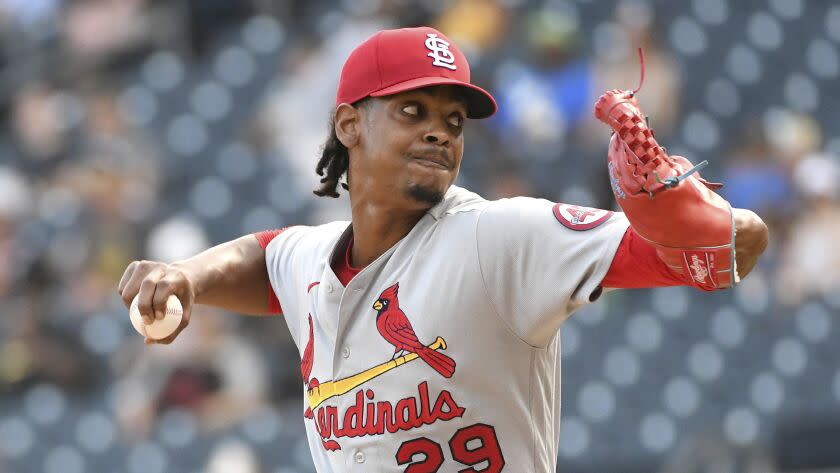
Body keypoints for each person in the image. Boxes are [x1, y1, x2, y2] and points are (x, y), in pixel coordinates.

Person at [118, 27, 768, 472]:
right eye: (413, 111)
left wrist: (687, 221)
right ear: (349, 123)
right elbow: (264, 259)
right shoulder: (311, 258)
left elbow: (728, 245)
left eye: (452, 120)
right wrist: (188, 274)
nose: (439, 132)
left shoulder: (499, 236)